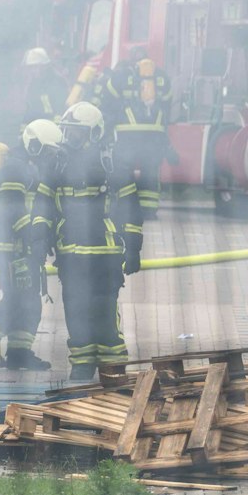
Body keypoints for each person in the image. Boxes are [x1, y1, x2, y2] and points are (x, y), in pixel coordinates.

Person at [45, 101, 142, 383]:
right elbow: (45, 205)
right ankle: (82, 366)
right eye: (67, 132)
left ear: (95, 133)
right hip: (70, 255)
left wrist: (134, 246)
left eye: (77, 134)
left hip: (105, 255)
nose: (69, 139)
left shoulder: (110, 166)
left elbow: (131, 208)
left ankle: (113, 372)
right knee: (75, 312)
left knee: (104, 313)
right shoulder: (58, 166)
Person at [0, 120, 60, 370]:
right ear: (34, 145)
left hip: (25, 247)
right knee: (17, 299)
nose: (49, 156)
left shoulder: (29, 166)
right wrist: (33, 237)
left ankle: (19, 352)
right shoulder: (14, 168)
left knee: (30, 300)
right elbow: (13, 209)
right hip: (12, 249)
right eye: (47, 150)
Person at [101, 52, 175, 220]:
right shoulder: (161, 77)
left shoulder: (121, 75)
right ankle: (148, 212)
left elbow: (107, 100)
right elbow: (168, 103)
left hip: (127, 133)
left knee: (123, 170)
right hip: (154, 134)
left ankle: (125, 209)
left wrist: (110, 123)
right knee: (150, 171)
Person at [20, 48, 66, 126]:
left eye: (35, 67)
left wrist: (56, 128)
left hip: (53, 129)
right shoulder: (34, 84)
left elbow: (61, 109)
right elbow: (30, 111)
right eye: (30, 68)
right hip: (40, 129)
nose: (32, 71)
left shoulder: (57, 82)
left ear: (44, 66)